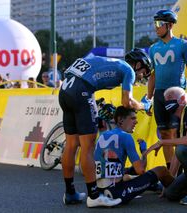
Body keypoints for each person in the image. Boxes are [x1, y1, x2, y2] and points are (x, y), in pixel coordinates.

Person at [58, 48, 153, 207]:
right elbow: (127, 102)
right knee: (88, 147)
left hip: (65, 91)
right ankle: (94, 196)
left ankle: (69, 193)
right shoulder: (128, 70)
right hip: (81, 91)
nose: (141, 77)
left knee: (71, 145)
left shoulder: (113, 63)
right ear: (137, 65)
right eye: (144, 72)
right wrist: (145, 105)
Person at [92, 106, 174, 207]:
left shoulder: (102, 135)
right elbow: (141, 170)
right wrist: (144, 150)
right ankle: (179, 191)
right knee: (161, 170)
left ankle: (155, 186)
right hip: (116, 193)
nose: (136, 122)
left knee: (127, 172)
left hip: (98, 191)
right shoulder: (126, 136)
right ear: (120, 120)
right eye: (132, 118)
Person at [147, 9, 187, 172]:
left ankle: (181, 173)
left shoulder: (183, 45)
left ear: (169, 25)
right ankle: (171, 173)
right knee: (165, 136)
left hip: (176, 95)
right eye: (154, 24)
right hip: (160, 96)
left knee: (177, 137)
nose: (156, 28)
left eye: (159, 24)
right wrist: (148, 99)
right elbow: (152, 75)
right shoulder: (153, 48)